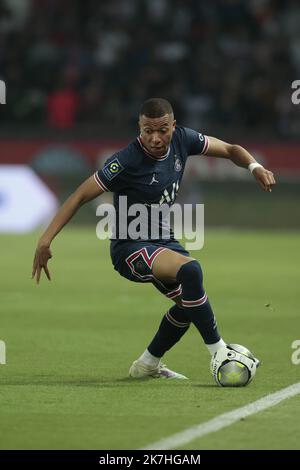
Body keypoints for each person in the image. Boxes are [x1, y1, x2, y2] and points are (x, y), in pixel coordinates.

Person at [32, 98, 276, 379]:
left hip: (163, 240)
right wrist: (45, 240)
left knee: (191, 304)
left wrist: (254, 167)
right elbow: (79, 196)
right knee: (191, 270)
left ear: (173, 126)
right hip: (131, 248)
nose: (155, 138)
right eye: (148, 130)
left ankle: (147, 365)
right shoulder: (126, 160)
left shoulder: (185, 139)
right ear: (140, 126)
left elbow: (232, 149)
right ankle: (219, 351)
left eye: (162, 130)